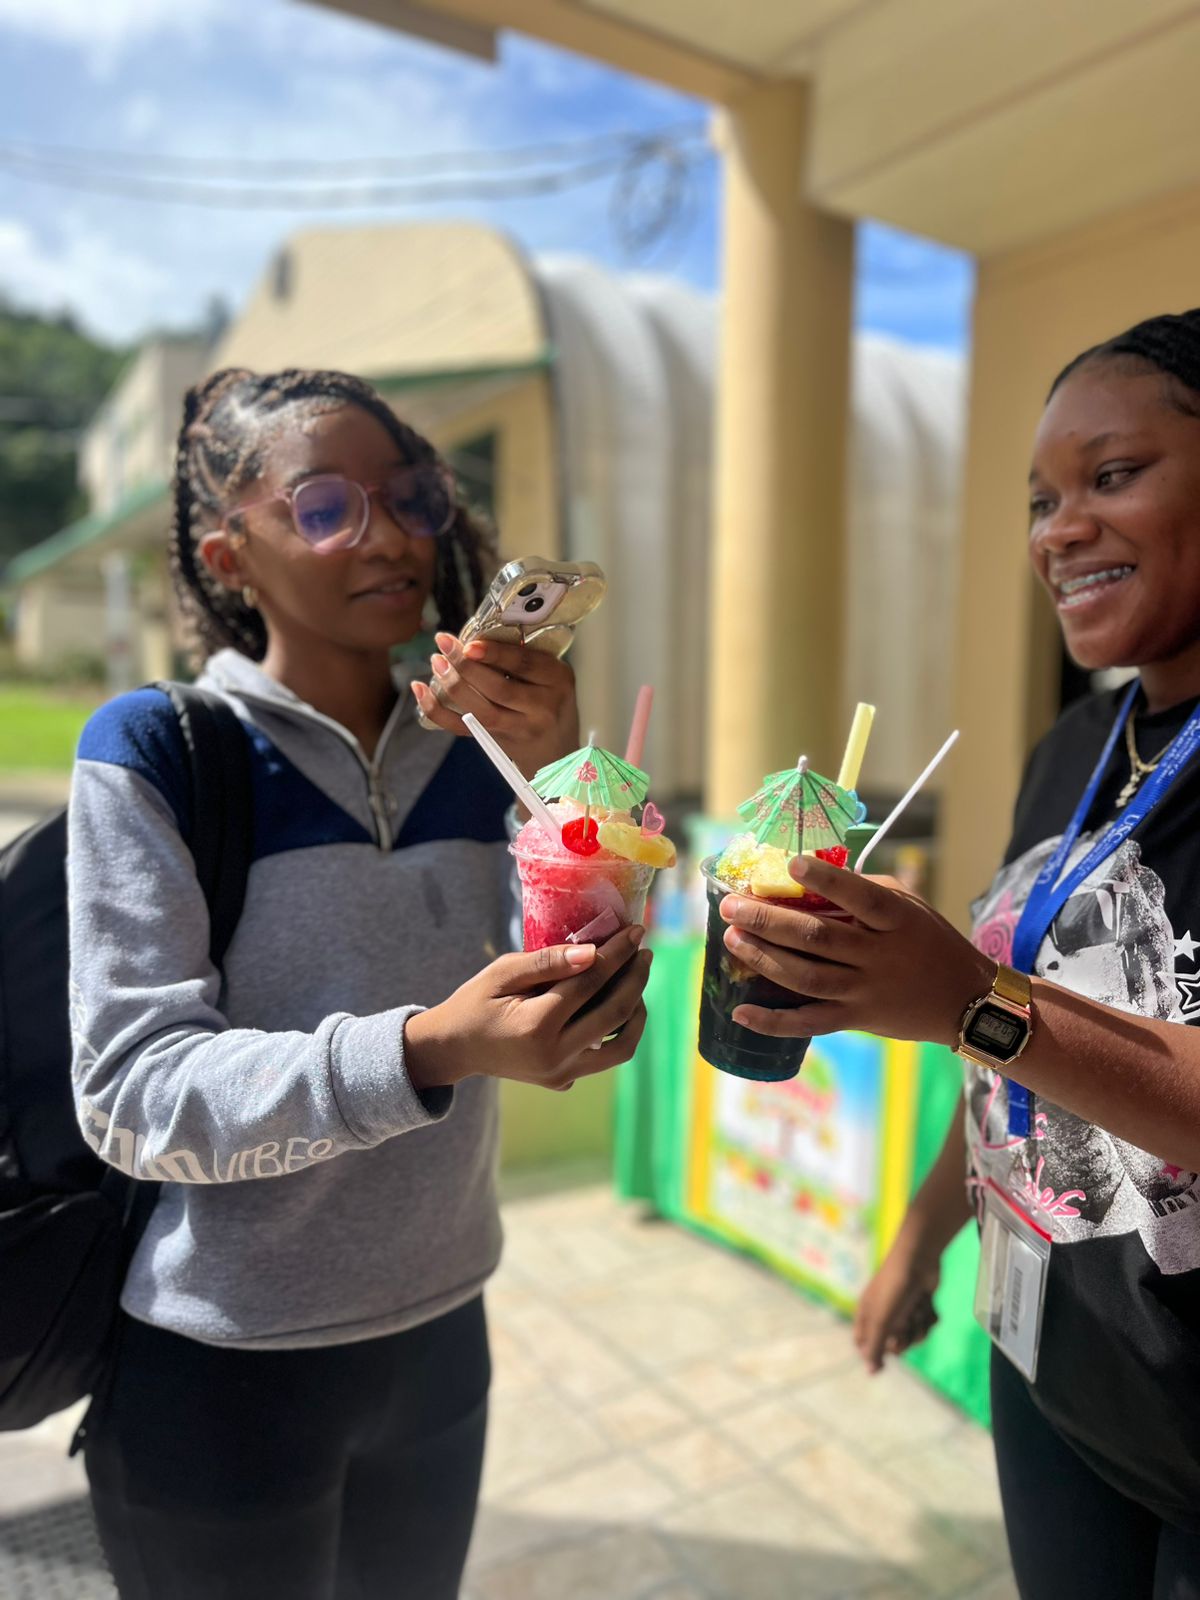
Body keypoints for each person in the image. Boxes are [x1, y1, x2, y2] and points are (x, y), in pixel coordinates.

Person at [68, 366, 652, 1600]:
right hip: (221, 1366)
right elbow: (127, 1090)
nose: (390, 535)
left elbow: (570, 965)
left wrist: (566, 781)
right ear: (231, 559)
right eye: (325, 506)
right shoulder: (158, 749)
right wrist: (426, 1048)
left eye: (413, 497)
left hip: (444, 1336)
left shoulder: (483, 753)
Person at [715, 311, 1200, 1598]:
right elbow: (1014, 1055)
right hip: (1056, 1382)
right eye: (1042, 498)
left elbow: (998, 1014)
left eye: (1113, 476)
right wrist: (923, 1240)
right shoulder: (1073, 748)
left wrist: (971, 1000)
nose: (1058, 530)